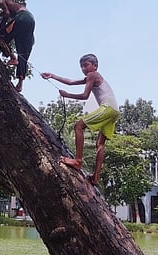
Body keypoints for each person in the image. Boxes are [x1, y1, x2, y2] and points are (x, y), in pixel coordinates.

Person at [41, 54, 119, 187]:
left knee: (79, 126)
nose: (83, 68)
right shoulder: (92, 76)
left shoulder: (93, 74)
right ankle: (95, 178)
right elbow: (71, 82)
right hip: (115, 110)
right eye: (81, 66)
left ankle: (77, 160)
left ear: (95, 65)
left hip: (108, 107)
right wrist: (53, 76)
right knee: (100, 144)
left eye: (86, 65)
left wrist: (67, 95)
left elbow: (84, 96)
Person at [0, 0, 35, 93]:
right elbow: (6, 13)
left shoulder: (2, 0)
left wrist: (1, 28)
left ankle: (12, 58)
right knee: (22, 53)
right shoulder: (12, 4)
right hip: (29, 19)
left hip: (22, 18)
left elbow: (6, 14)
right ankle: (20, 84)